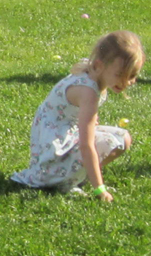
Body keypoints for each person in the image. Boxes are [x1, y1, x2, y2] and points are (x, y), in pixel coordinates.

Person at [8, 31, 142, 199]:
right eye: (120, 75)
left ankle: (72, 175)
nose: (127, 82)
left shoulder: (93, 72)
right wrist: (100, 189)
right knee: (113, 142)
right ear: (100, 65)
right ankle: (62, 179)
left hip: (60, 135)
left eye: (132, 75)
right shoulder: (88, 92)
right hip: (54, 149)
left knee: (124, 139)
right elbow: (87, 146)